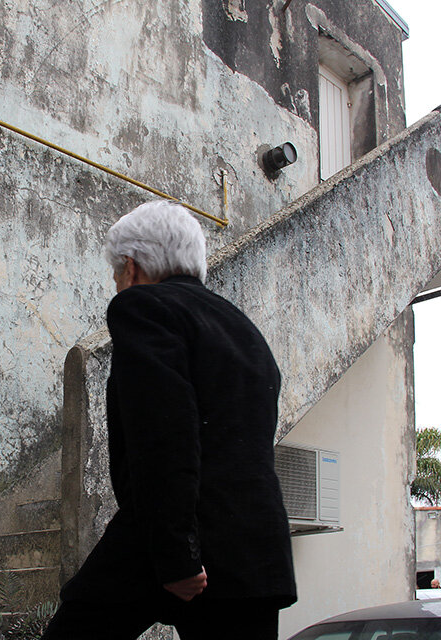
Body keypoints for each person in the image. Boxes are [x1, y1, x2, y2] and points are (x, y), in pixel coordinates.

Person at [42, 200, 296, 640]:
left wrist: (177, 556)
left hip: (173, 539)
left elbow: (165, 435)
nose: (118, 285)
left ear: (133, 266)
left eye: (117, 274)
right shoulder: (243, 329)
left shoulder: (144, 308)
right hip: (252, 554)